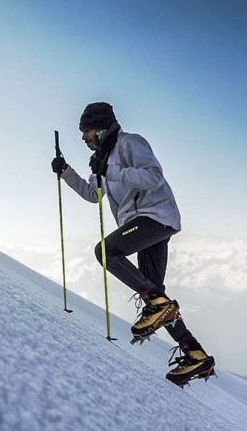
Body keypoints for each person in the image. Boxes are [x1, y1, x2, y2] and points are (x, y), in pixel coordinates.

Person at [51, 101, 215, 387]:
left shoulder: (130, 143)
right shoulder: (100, 159)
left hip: (155, 217)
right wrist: (65, 171)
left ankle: (159, 305)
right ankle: (195, 354)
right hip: (145, 224)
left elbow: (153, 177)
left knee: (106, 251)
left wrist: (110, 170)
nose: (83, 137)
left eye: (86, 130)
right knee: (156, 293)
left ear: (101, 128)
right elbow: (93, 195)